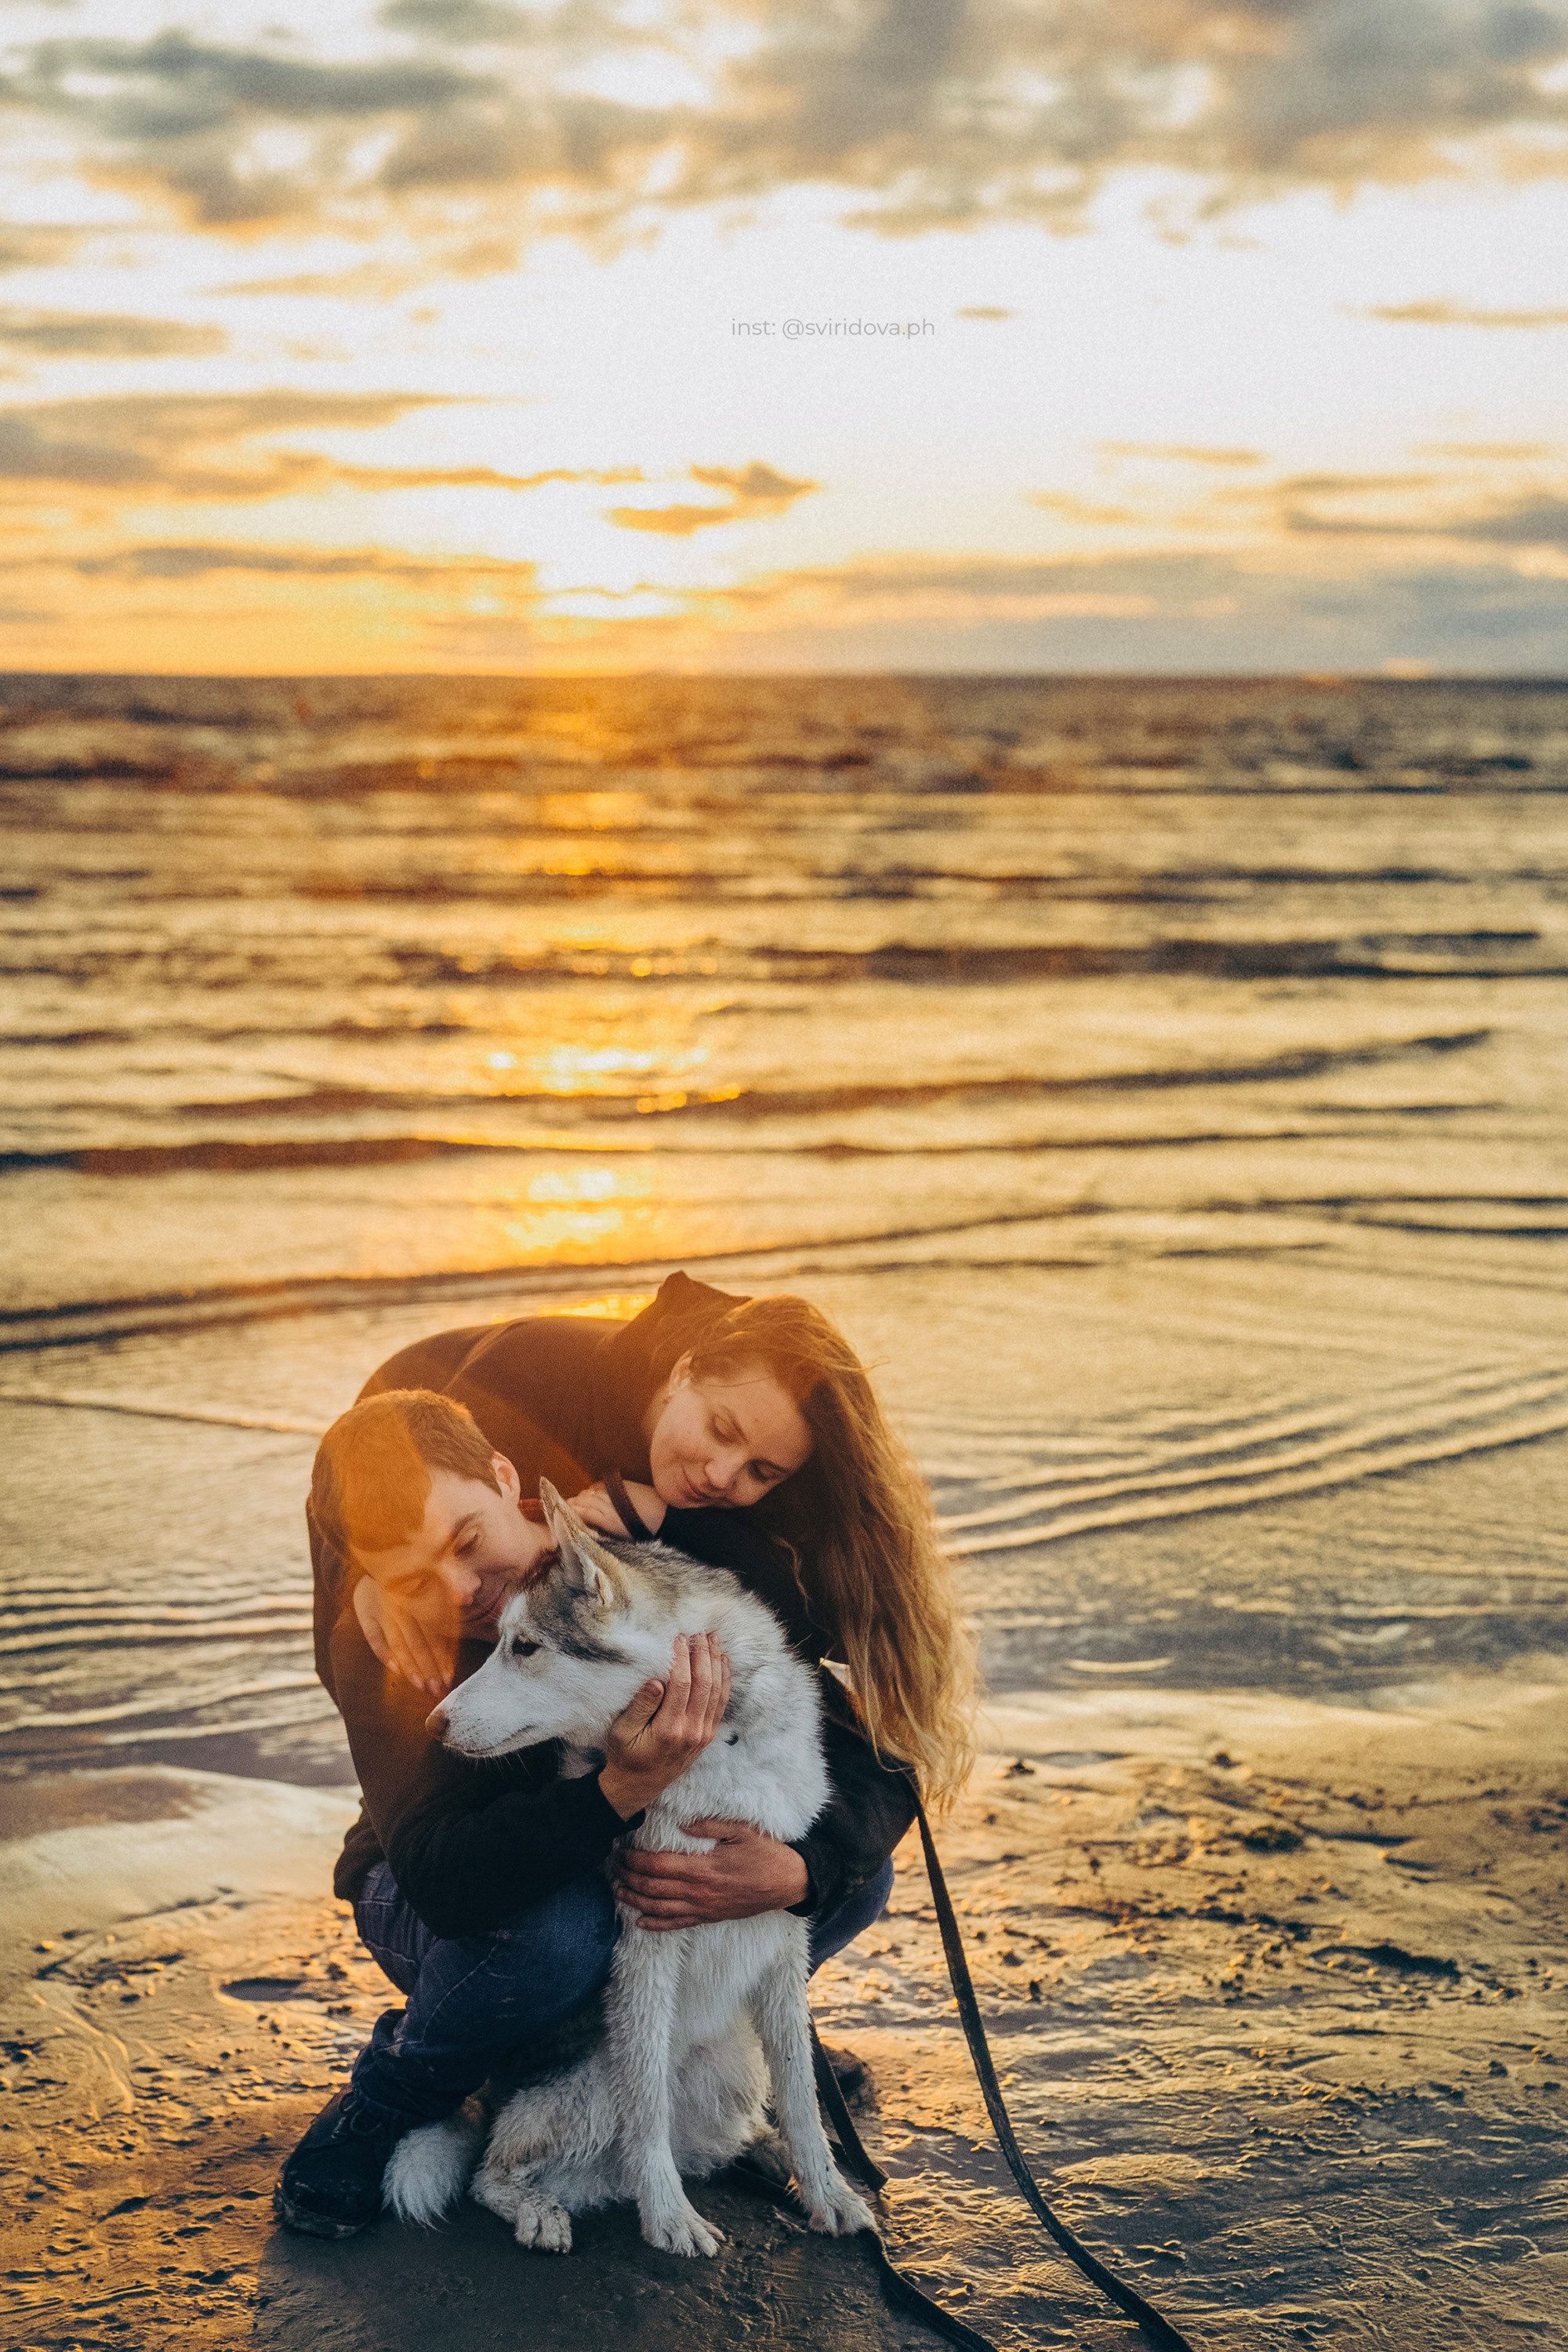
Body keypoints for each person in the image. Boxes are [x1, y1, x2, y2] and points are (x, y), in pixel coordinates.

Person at [277, 1272, 976, 2237]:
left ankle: (716, 2053)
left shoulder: (644, 1572)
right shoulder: (394, 1639)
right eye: (411, 1574)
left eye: (471, 1540)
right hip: (432, 1896)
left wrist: (798, 1867)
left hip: (589, 1837)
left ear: (504, 1474)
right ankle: (393, 2095)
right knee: (564, 1935)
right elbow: (446, 1881)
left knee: (843, 1879)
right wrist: (623, 1785)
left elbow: (864, 1744)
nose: (460, 1587)